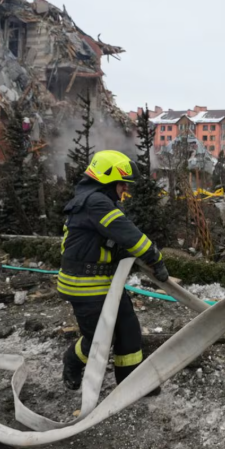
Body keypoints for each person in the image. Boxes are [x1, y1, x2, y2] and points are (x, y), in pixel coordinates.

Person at [58, 150, 169, 393]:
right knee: (98, 340)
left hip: (105, 283)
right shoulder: (95, 203)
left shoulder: (98, 202)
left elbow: (110, 241)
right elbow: (129, 235)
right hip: (84, 286)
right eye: (122, 183)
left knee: (128, 331)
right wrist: (155, 259)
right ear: (108, 180)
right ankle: (72, 362)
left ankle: (131, 384)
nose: (125, 189)